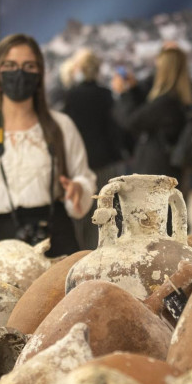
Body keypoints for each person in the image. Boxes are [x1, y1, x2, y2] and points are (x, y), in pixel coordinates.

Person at [0, 33, 96, 257]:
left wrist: (78, 189)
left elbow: (84, 179)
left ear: (40, 73)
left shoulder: (61, 126)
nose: (19, 73)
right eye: (10, 65)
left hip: (55, 239)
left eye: (29, 66)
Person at [63, 48, 125, 249]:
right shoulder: (106, 95)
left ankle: (81, 264)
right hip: (106, 163)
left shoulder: (71, 96)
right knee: (107, 216)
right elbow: (115, 129)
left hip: (79, 165)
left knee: (81, 216)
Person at [118, 47, 192, 184]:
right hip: (169, 170)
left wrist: (125, 93)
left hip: (155, 172)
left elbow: (131, 121)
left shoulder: (166, 103)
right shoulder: (182, 99)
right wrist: (134, 89)